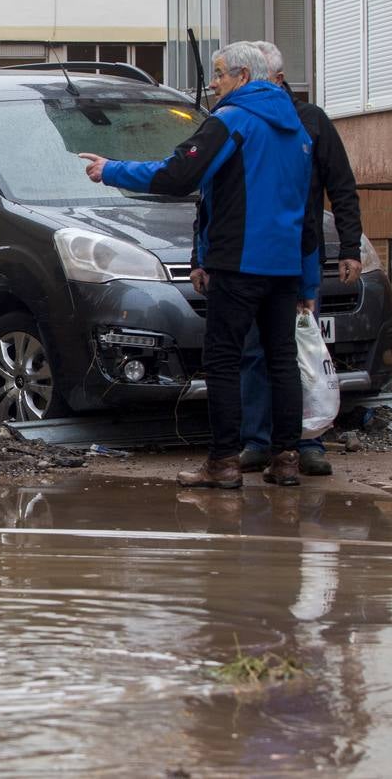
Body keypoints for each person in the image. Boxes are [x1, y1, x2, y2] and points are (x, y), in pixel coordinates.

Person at [78, 41, 315, 490]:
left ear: (244, 77)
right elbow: (304, 209)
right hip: (282, 268)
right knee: (281, 360)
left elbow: (178, 175)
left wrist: (111, 170)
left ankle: (223, 462)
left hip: (239, 262)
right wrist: (307, 278)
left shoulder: (232, 121)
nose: (214, 83)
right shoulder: (298, 131)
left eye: (221, 73)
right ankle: (286, 458)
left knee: (223, 360)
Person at [237, 40, 364, 478]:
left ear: (277, 79)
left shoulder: (310, 122)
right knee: (255, 351)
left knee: (303, 350)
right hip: (254, 256)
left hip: (301, 254)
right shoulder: (243, 122)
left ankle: (308, 441)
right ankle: (257, 440)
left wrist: (350, 248)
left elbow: (341, 186)